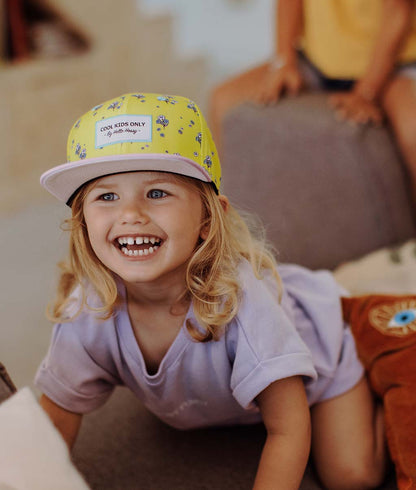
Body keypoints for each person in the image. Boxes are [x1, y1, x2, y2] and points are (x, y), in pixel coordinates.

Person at [36, 92, 387, 489]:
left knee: (353, 476)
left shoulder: (242, 301)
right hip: (215, 402)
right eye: (107, 196)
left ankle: (373, 353)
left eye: (156, 193)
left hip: (321, 355)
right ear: (82, 222)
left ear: (208, 216)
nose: (130, 214)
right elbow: (56, 418)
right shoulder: (87, 306)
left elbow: (288, 427)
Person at [210, 0, 416, 199]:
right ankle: (220, 212)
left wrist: (367, 91)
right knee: (222, 101)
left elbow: (397, 11)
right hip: (316, 61)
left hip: (393, 65)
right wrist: (284, 60)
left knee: (412, 130)